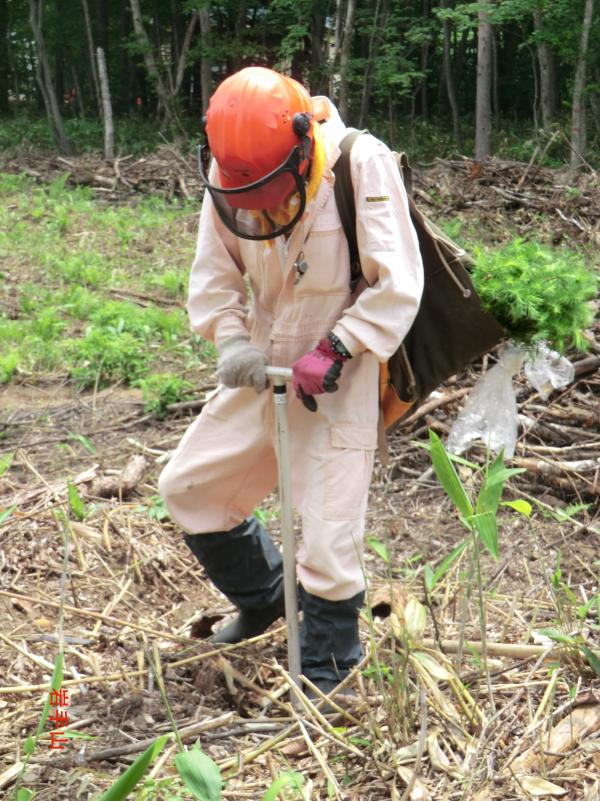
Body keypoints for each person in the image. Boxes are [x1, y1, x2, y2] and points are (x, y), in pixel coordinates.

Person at [158, 66, 424, 695]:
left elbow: (399, 282)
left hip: (344, 367)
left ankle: (329, 666)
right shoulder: (234, 173)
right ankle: (267, 597)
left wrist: (338, 346)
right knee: (191, 486)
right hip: (265, 361)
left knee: (328, 535)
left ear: (303, 144)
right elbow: (215, 277)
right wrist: (232, 341)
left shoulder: (362, 163)